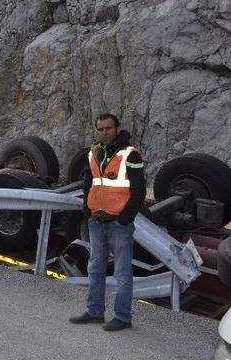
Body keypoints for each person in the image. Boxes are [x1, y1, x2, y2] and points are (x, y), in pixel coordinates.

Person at [69, 113, 145, 331]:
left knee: (122, 273)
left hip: (118, 224)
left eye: (108, 128)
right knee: (95, 269)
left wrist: (123, 220)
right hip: (96, 221)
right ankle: (95, 312)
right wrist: (87, 210)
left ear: (117, 128)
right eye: (100, 129)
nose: (104, 132)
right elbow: (88, 183)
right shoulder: (94, 153)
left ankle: (123, 317)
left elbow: (139, 191)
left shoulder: (131, 155)